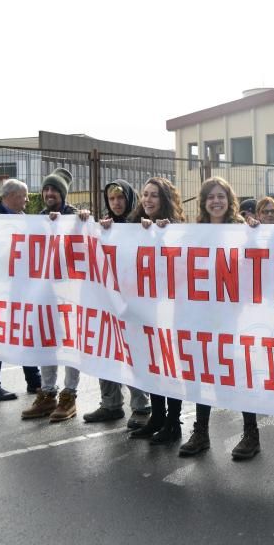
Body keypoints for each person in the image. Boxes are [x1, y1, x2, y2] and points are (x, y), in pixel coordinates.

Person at [178, 177, 263, 459]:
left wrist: (261, 232)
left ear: (229, 200)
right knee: (202, 372)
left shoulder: (242, 229)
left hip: (233, 318)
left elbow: (264, 254)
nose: (216, 201)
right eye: (211, 196)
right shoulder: (195, 232)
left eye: (221, 196)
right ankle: (201, 432)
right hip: (201, 315)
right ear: (203, 202)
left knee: (237, 374)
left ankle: (251, 434)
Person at [116, 177, 189, 444]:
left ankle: (173, 422)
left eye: (154, 196)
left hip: (170, 311)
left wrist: (165, 234)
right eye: (145, 194)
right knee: (151, 364)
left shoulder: (177, 229)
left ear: (165, 200)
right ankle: (157, 416)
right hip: (143, 311)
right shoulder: (134, 227)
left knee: (170, 365)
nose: (147, 200)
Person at [80, 180, 152, 429]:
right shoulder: (103, 227)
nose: (117, 203)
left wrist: (148, 228)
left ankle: (141, 406)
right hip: (106, 303)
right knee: (106, 351)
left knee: (132, 354)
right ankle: (110, 404)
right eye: (111, 199)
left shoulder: (139, 225)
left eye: (121, 198)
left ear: (129, 198)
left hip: (132, 303)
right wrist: (86, 221)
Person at [21, 168, 83, 422]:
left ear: (63, 194)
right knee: (47, 341)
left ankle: (69, 396)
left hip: (70, 293)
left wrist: (82, 221)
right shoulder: (38, 219)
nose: (49, 193)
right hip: (45, 293)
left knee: (70, 344)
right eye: (46, 189)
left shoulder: (76, 217)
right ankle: (47, 394)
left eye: (54, 190)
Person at [0, 178, 42, 401]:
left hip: (21, 289)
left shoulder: (20, 219)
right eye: (24, 196)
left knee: (25, 332)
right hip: (3, 291)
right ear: (12, 196)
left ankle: (34, 381)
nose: (26, 200)